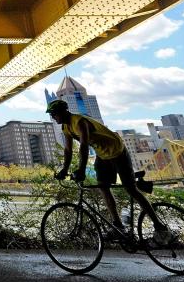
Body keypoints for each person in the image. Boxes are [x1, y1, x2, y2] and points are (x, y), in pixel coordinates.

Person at [46, 99, 172, 245]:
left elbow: (84, 146)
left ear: (63, 111)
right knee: (102, 187)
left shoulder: (79, 122)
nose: (53, 117)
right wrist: (64, 170)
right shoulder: (66, 128)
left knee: (130, 188)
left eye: (54, 114)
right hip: (103, 155)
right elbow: (68, 150)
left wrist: (81, 169)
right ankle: (118, 226)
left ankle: (160, 227)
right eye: (52, 115)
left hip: (117, 151)